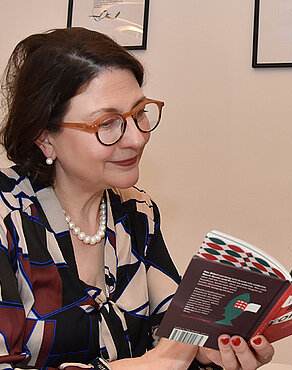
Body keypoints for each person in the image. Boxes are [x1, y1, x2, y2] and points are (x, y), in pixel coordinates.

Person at [0, 27, 274, 370]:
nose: (135, 138)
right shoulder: (7, 220)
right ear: (45, 138)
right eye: (107, 123)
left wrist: (209, 351)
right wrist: (151, 363)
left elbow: (171, 327)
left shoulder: (134, 210)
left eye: (139, 113)